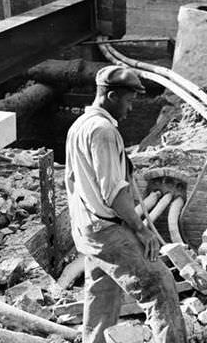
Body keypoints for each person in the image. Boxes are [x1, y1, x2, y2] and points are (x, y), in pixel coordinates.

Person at [65, 66, 187, 343]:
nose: (131, 107)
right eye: (128, 99)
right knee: (159, 284)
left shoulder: (79, 126)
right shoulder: (103, 130)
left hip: (87, 227)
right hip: (107, 228)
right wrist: (140, 230)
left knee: (102, 292)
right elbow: (114, 191)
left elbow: (74, 182)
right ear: (110, 96)